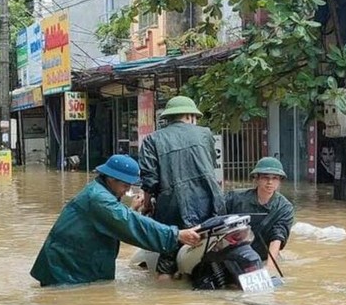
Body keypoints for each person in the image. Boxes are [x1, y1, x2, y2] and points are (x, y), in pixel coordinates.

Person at [32, 154, 202, 287]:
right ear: (111, 179)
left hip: (71, 268)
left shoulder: (100, 192)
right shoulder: (99, 199)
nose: (127, 190)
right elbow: (131, 224)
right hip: (65, 273)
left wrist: (131, 209)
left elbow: (117, 220)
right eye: (126, 186)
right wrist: (175, 235)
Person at [138, 95, 225, 276]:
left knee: (166, 265)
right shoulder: (206, 134)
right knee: (213, 255)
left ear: (168, 118)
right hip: (210, 206)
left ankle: (168, 298)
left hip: (172, 208)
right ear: (190, 116)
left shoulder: (152, 140)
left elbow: (150, 181)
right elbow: (211, 164)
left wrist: (147, 205)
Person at [224, 157, 294, 268]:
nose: (270, 182)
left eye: (275, 178)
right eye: (265, 177)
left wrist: (270, 268)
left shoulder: (284, 208)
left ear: (280, 181)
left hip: (263, 257)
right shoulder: (235, 199)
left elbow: (277, 237)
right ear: (257, 179)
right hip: (233, 251)